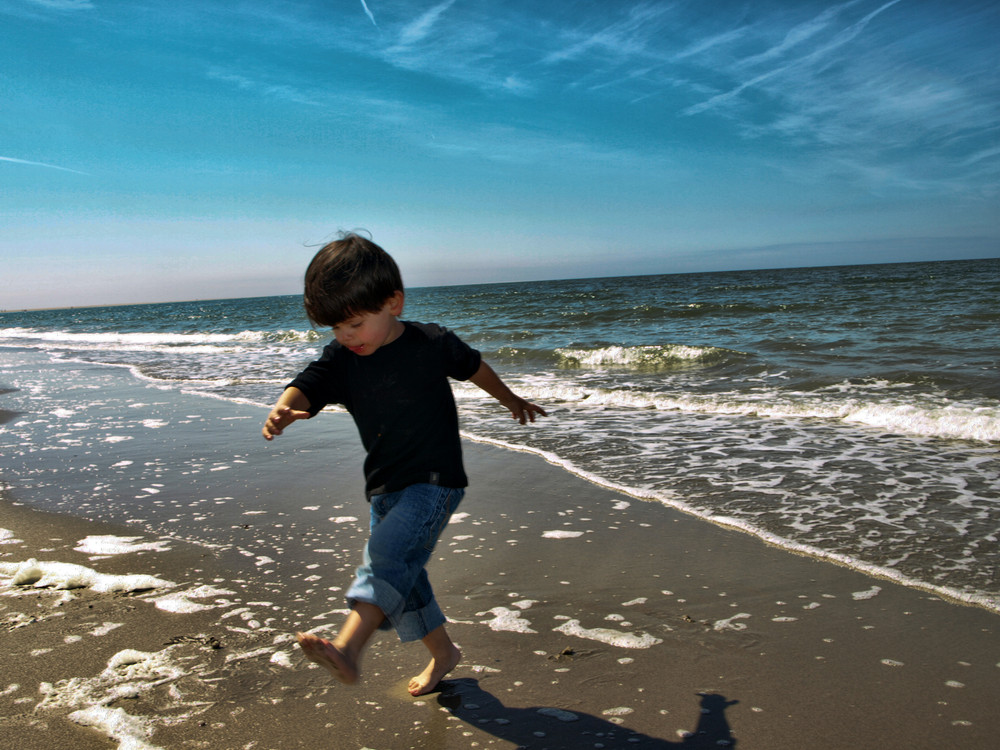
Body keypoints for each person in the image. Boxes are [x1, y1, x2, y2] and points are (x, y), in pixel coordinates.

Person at [262, 233, 547, 696]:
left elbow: (474, 367)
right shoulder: (342, 358)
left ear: (393, 302)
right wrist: (286, 406)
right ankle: (444, 655)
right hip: (384, 488)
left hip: (434, 483)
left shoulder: (432, 342)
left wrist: (510, 399)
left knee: (388, 557)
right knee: (408, 579)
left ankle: (349, 649)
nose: (346, 337)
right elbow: (310, 381)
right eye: (335, 329)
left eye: (354, 323)